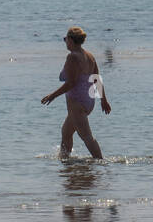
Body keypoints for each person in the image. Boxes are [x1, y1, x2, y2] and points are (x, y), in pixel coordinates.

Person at [41, 26, 110, 159]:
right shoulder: (89, 56)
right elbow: (96, 79)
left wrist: (52, 95)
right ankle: (65, 161)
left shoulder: (72, 57)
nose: (65, 41)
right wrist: (103, 100)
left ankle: (101, 162)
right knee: (66, 132)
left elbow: (71, 83)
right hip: (88, 102)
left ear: (71, 40)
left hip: (77, 102)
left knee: (86, 136)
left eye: (65, 39)